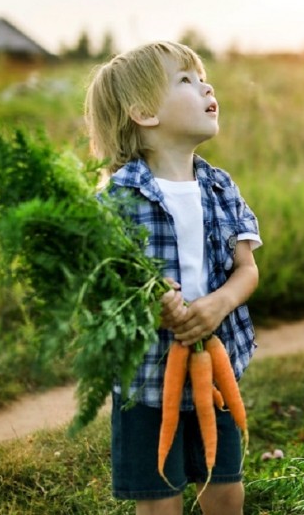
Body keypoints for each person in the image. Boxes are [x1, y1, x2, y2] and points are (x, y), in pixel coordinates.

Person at [84, 41, 261, 515]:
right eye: (185, 80)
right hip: (146, 380)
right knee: (159, 503)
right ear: (143, 112)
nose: (206, 85)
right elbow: (103, 285)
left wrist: (218, 304)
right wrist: (146, 298)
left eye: (203, 77)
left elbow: (247, 270)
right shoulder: (116, 200)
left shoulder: (221, 187)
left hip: (215, 373)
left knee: (225, 492)